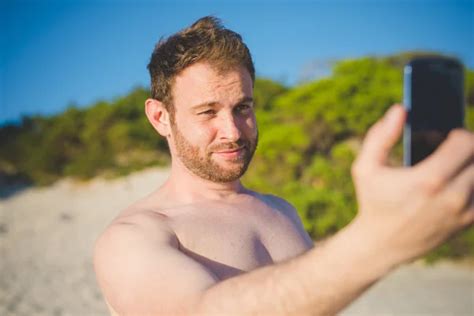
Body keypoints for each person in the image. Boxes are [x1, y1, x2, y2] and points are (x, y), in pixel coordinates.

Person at [94, 16, 474, 315]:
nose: (231, 131)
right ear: (160, 117)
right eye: (207, 111)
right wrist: (379, 240)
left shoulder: (281, 211)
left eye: (242, 108)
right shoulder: (132, 237)